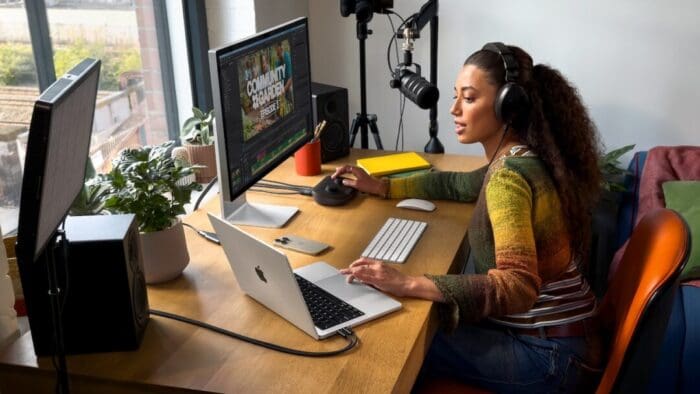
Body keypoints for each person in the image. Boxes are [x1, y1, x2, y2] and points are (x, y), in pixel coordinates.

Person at [333, 42, 603, 393]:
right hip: (568, 337)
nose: (454, 109)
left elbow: (517, 287)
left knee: (400, 346)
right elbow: (458, 183)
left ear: (508, 105)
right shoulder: (519, 156)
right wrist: (383, 187)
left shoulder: (510, 175)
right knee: (421, 322)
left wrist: (408, 282)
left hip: (549, 355)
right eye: (455, 96)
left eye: (469, 98)